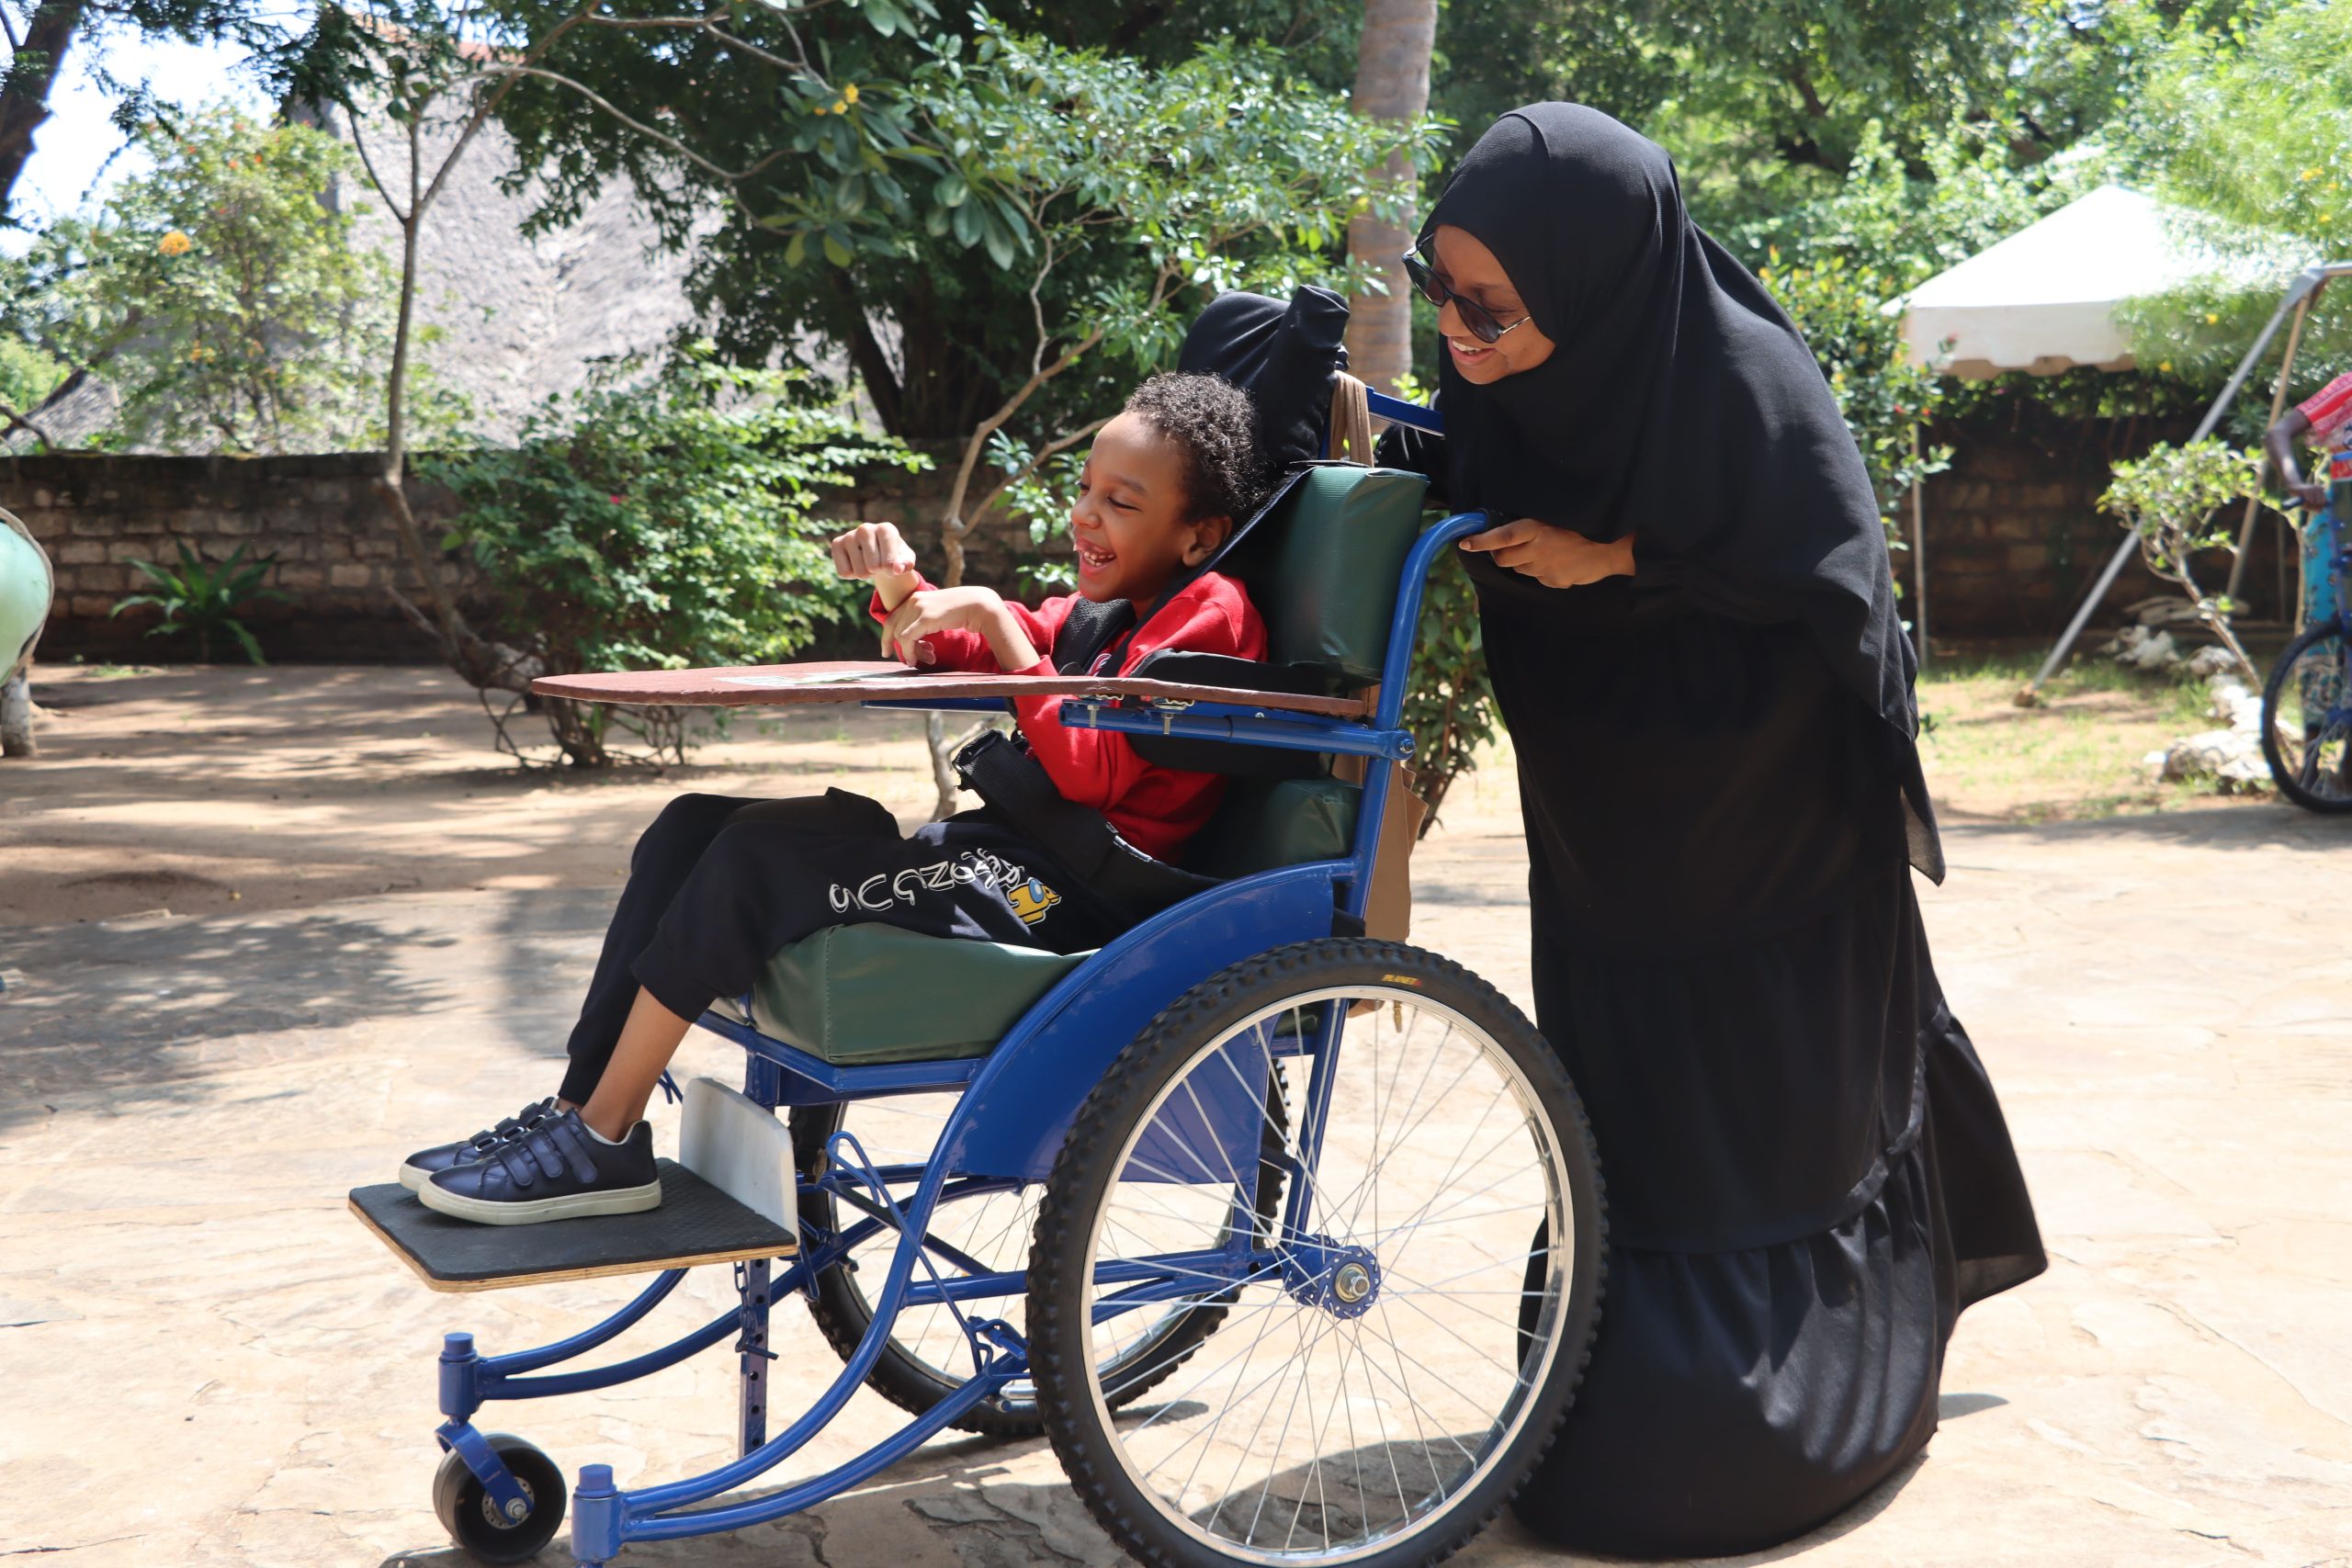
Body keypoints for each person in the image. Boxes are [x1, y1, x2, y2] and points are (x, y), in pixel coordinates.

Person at [1375, 105, 2046, 1556]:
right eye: (1442, 289)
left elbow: (1831, 581)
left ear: (1599, 284)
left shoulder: (1743, 378)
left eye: (1491, 305)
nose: (1458, 329)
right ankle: (1627, 1354)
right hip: (1606, 819)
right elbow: (1469, 475)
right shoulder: (1497, 379)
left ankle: (1793, 1387)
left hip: (1772, 819)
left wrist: (1619, 555)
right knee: (1630, 1101)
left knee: (1768, 1098)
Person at [400, 371, 1270, 1225]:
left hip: (1066, 899)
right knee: (692, 826)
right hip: (992, 858)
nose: (1085, 514)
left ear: (1198, 536)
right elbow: (960, 643)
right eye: (1084, 489)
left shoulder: (1214, 613)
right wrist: (901, 586)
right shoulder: (1106, 612)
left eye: (1120, 502)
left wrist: (1000, 627)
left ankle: (603, 1136)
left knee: (753, 861)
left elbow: (1089, 771)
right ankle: (579, 1110)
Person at [2264, 368, 2352, 631]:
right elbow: (2278, 433)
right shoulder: (2347, 387)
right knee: (2327, 615)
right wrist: (2296, 484)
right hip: (2343, 522)